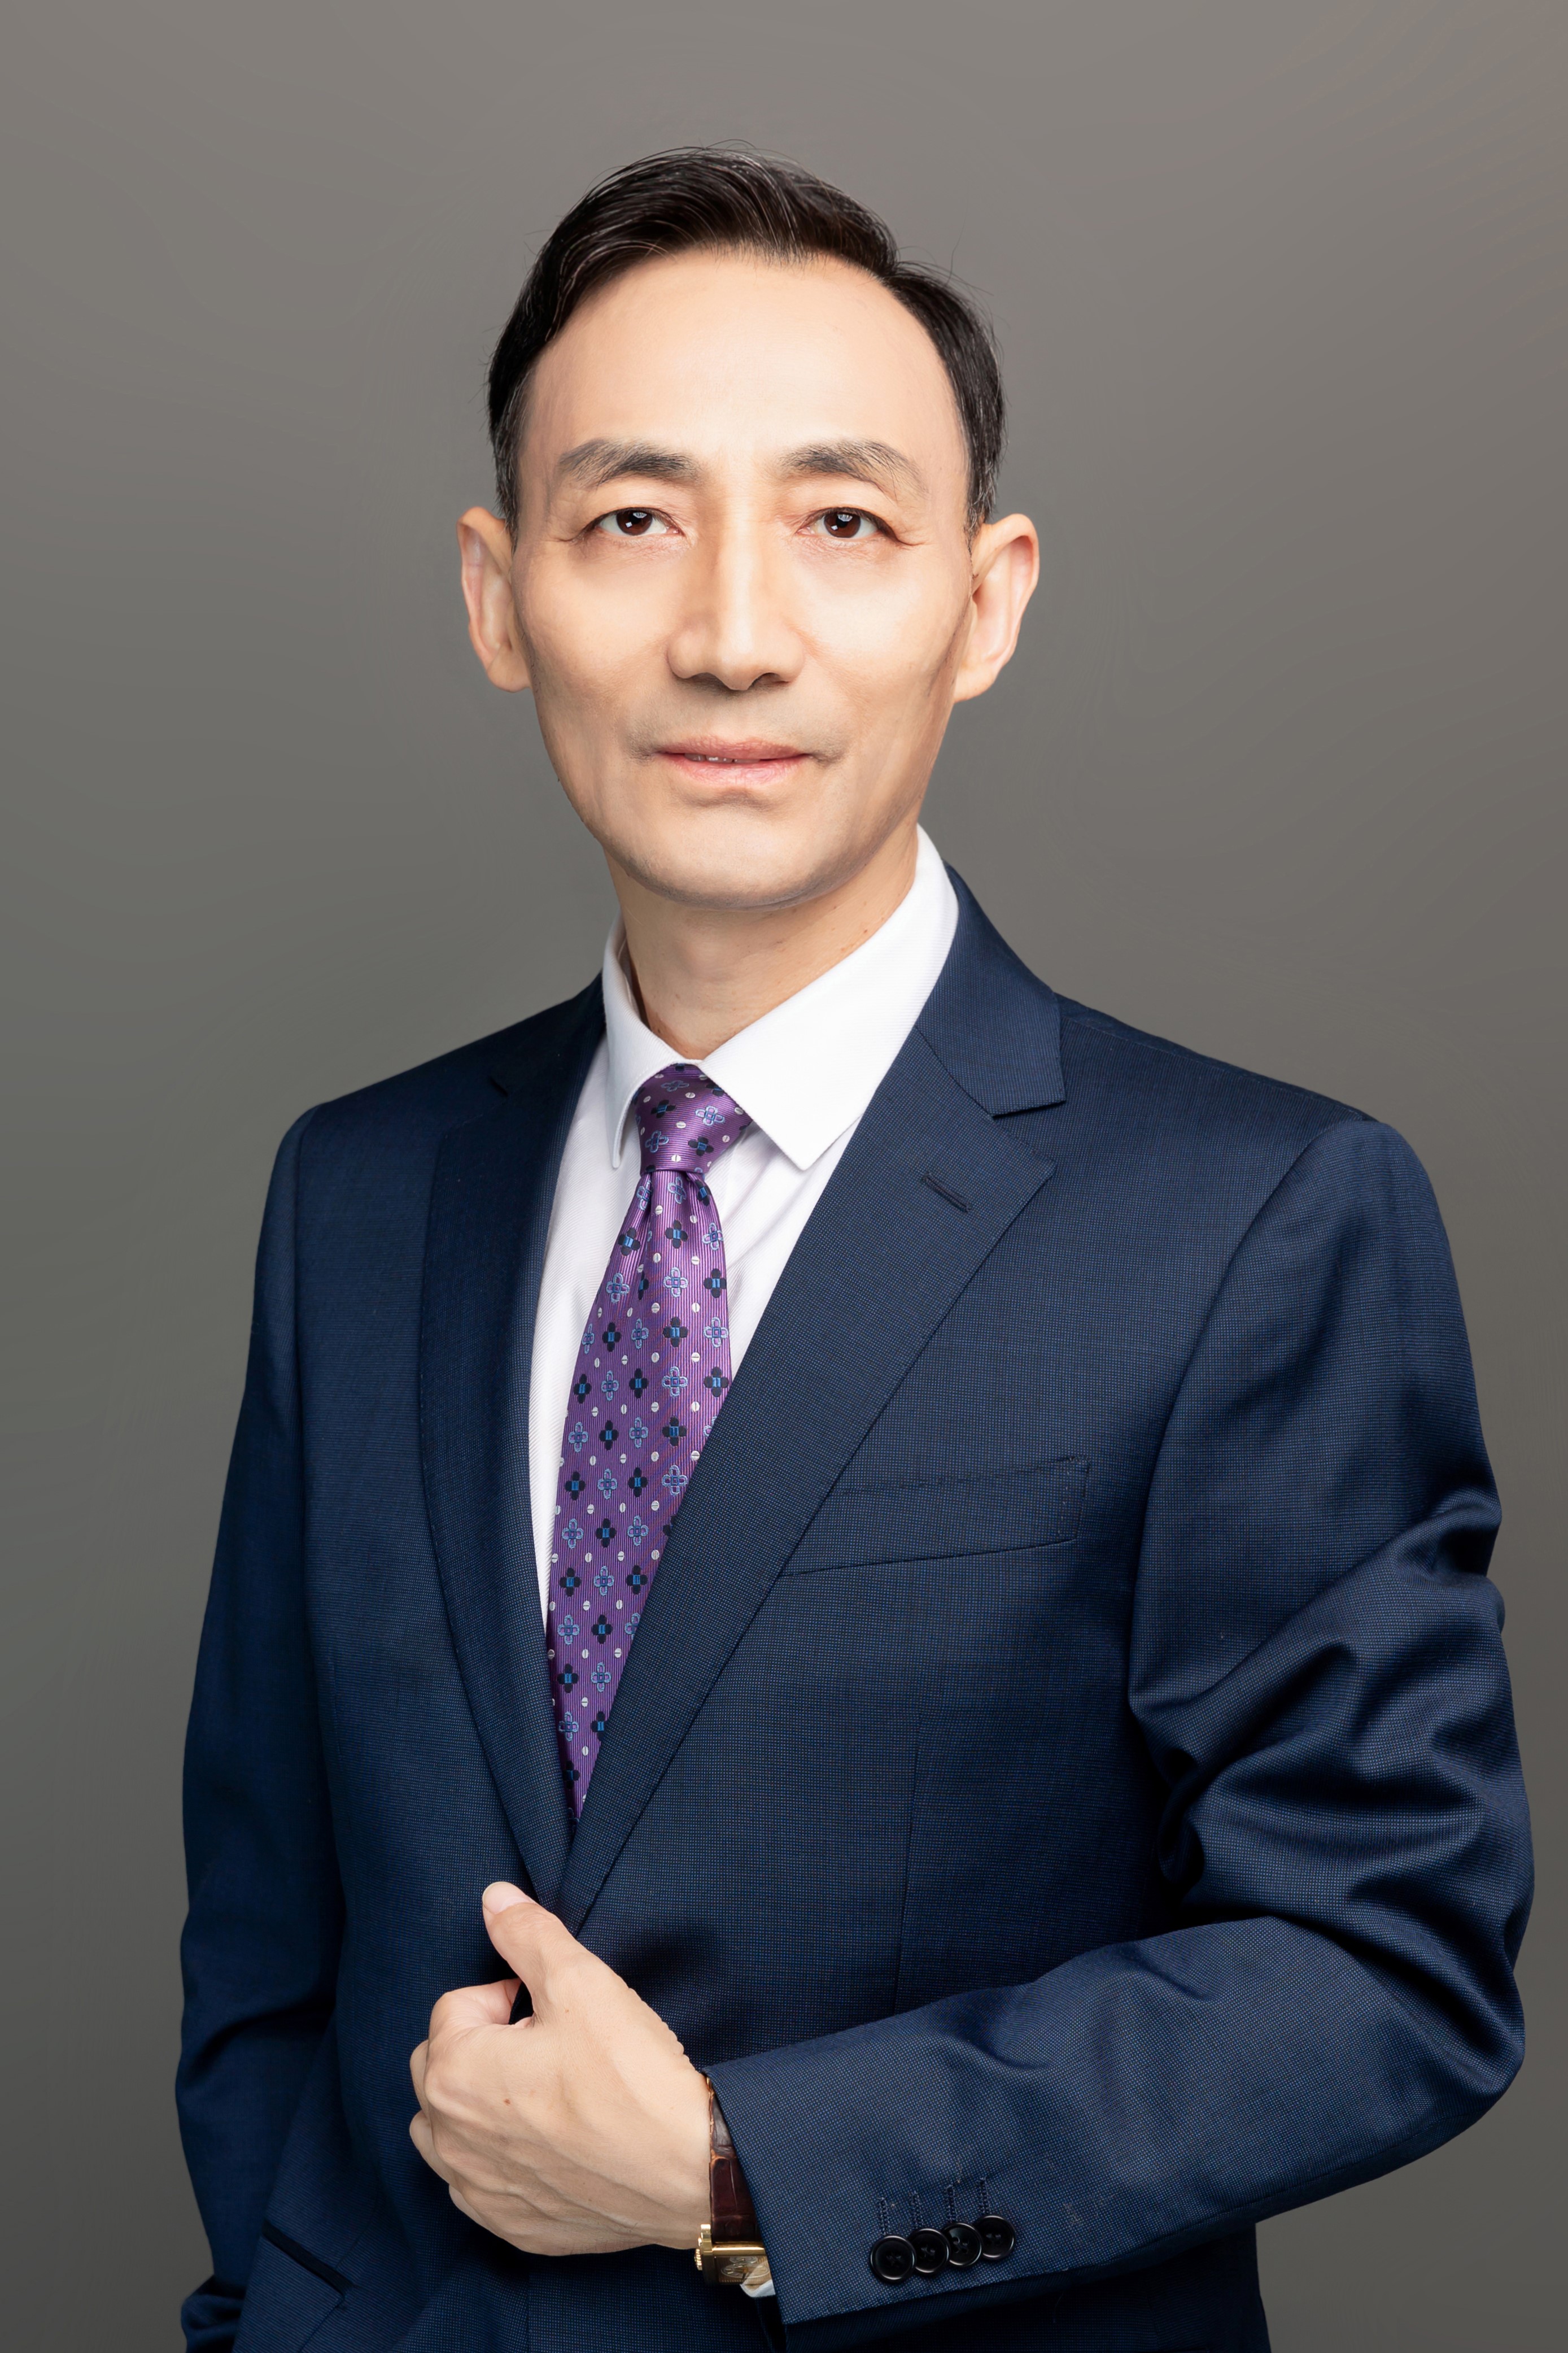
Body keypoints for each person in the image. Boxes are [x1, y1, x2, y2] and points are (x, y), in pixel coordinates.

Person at [177, 149, 1531, 2353]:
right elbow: (269, 1936)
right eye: (632, 518)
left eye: (840, 521)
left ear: (983, 603)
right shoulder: (360, 1193)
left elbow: (1382, 1966)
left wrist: (743, 2181)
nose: (731, 631)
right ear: (497, 594)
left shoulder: (1256, 1221)